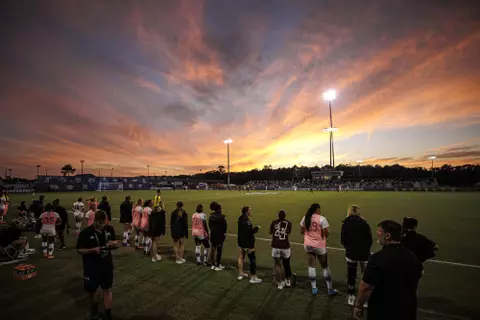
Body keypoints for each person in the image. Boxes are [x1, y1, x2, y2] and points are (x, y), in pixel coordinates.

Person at [354, 220, 423, 320]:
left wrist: (358, 306)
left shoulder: (377, 258)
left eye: (379, 231)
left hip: (383, 312)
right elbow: (416, 284)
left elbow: (365, 287)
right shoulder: (412, 257)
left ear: (387, 236)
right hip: (407, 312)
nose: (377, 234)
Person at [76, 210, 117, 320]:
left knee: (107, 289)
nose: (102, 225)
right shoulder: (86, 232)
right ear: (95, 221)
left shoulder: (109, 229)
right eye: (100, 223)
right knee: (92, 291)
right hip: (91, 266)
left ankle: (108, 314)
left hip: (107, 265)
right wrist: (92, 250)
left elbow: (115, 241)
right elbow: (79, 250)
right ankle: (94, 311)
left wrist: (112, 244)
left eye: (104, 222)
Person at [300, 203, 337, 296]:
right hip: (319, 245)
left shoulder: (305, 217)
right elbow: (326, 234)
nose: (320, 211)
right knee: (325, 266)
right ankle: (330, 289)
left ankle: (314, 288)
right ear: (317, 209)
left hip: (308, 245)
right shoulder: (322, 219)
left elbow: (301, 231)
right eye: (319, 209)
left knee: (311, 266)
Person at [341, 205, 373, 306]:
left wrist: (349, 248)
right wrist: (365, 248)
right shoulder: (364, 223)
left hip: (351, 253)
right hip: (364, 253)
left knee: (351, 275)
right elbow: (370, 239)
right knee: (365, 275)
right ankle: (365, 299)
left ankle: (351, 296)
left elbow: (343, 240)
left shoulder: (346, 224)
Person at [237, 206, 262, 284]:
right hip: (248, 242)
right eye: (250, 210)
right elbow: (250, 231)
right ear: (246, 212)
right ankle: (253, 277)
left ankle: (241, 273)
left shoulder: (240, 218)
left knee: (241, 256)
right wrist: (256, 228)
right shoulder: (247, 221)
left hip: (241, 241)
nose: (251, 211)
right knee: (252, 259)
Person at [270, 209, 293, 289]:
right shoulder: (289, 223)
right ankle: (288, 281)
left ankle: (279, 282)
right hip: (285, 246)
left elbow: (271, 232)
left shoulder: (273, 222)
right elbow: (288, 232)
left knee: (278, 264)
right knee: (286, 263)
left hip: (275, 246)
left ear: (278, 216)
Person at [208, 201, 227, 271]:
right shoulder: (222, 217)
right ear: (218, 209)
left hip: (213, 235)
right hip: (219, 236)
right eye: (221, 208)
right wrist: (223, 234)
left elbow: (209, 225)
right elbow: (224, 227)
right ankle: (218, 265)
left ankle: (213, 264)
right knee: (219, 250)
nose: (222, 209)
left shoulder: (211, 216)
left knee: (212, 249)